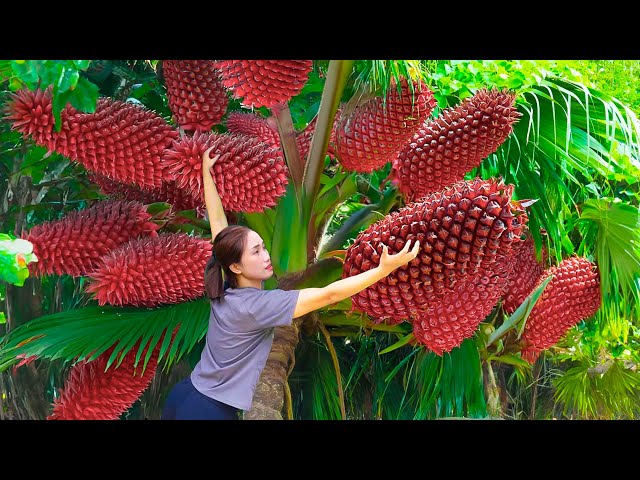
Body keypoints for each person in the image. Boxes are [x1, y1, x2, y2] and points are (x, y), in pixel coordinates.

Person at [161, 146, 420, 420]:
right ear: (236, 266)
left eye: (263, 247)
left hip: (186, 393)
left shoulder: (227, 287)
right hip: (207, 410)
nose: (266, 256)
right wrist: (383, 269)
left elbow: (218, 228)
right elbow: (329, 294)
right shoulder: (258, 305)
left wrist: (206, 173)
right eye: (256, 252)